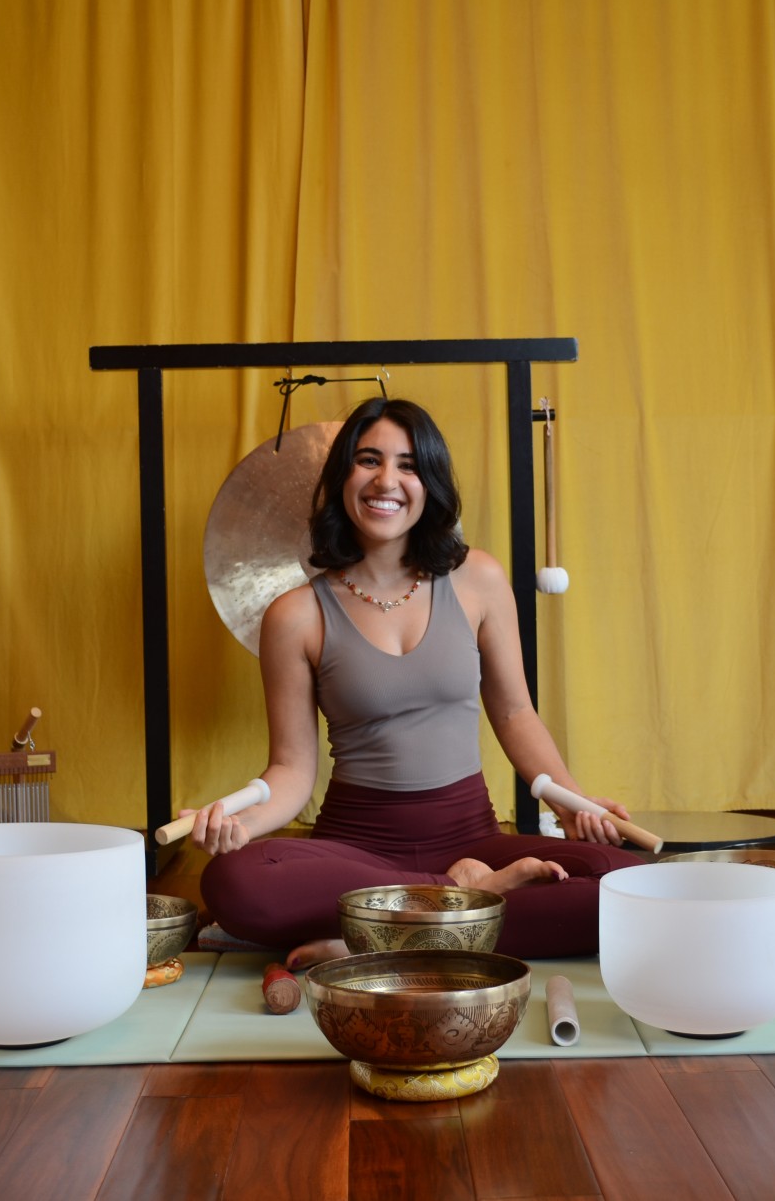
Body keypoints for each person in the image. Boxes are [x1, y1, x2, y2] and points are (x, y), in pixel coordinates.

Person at [190, 397, 637, 968]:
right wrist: (236, 824)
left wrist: (572, 802)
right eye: (368, 460)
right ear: (341, 476)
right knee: (236, 880)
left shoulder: (479, 579)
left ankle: (378, 930)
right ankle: (465, 905)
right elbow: (292, 770)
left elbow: (514, 713)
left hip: (474, 839)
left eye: (408, 465)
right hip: (356, 850)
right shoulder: (295, 615)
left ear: (430, 484)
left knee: (628, 881)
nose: (387, 480)